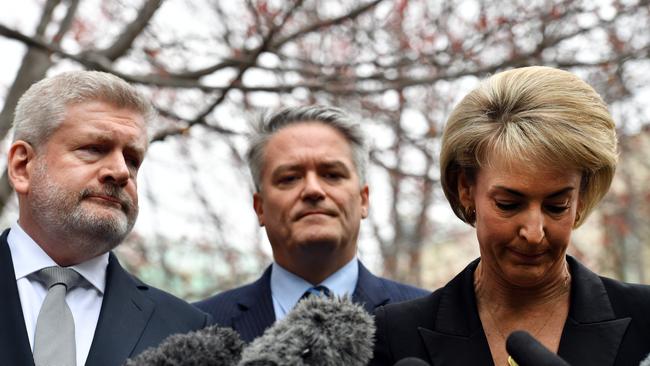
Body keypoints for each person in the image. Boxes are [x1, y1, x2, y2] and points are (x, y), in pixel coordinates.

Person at [370, 66, 650, 366]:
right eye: (508, 204)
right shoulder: (395, 333)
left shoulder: (645, 317)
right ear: (465, 188)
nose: (534, 232)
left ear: (581, 197)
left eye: (557, 206)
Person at [0, 71, 210, 366]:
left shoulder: (186, 330)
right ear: (22, 167)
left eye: (133, 160)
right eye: (94, 149)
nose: (121, 171)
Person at [195, 105, 428, 342]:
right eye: (290, 178)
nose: (313, 190)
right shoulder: (199, 326)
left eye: (332, 175)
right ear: (260, 207)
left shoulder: (429, 321)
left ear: (363, 200)